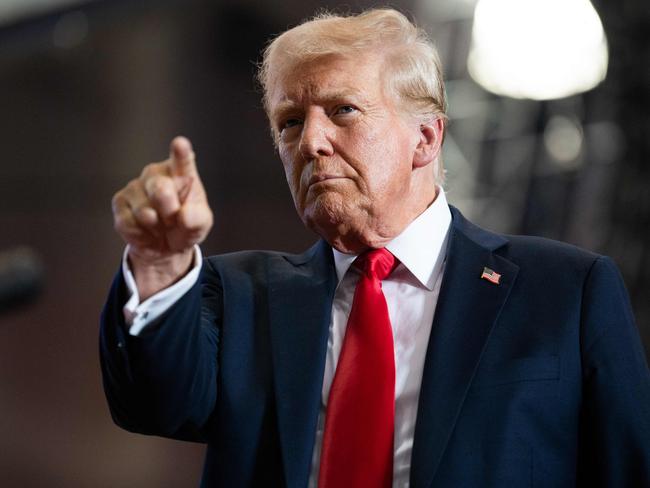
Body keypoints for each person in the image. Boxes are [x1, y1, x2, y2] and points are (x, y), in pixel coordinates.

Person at [100, 8, 650, 487]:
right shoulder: (240, 297)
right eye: (290, 122)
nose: (310, 142)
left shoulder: (566, 291)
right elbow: (154, 405)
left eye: (342, 110)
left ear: (426, 138)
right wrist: (160, 263)